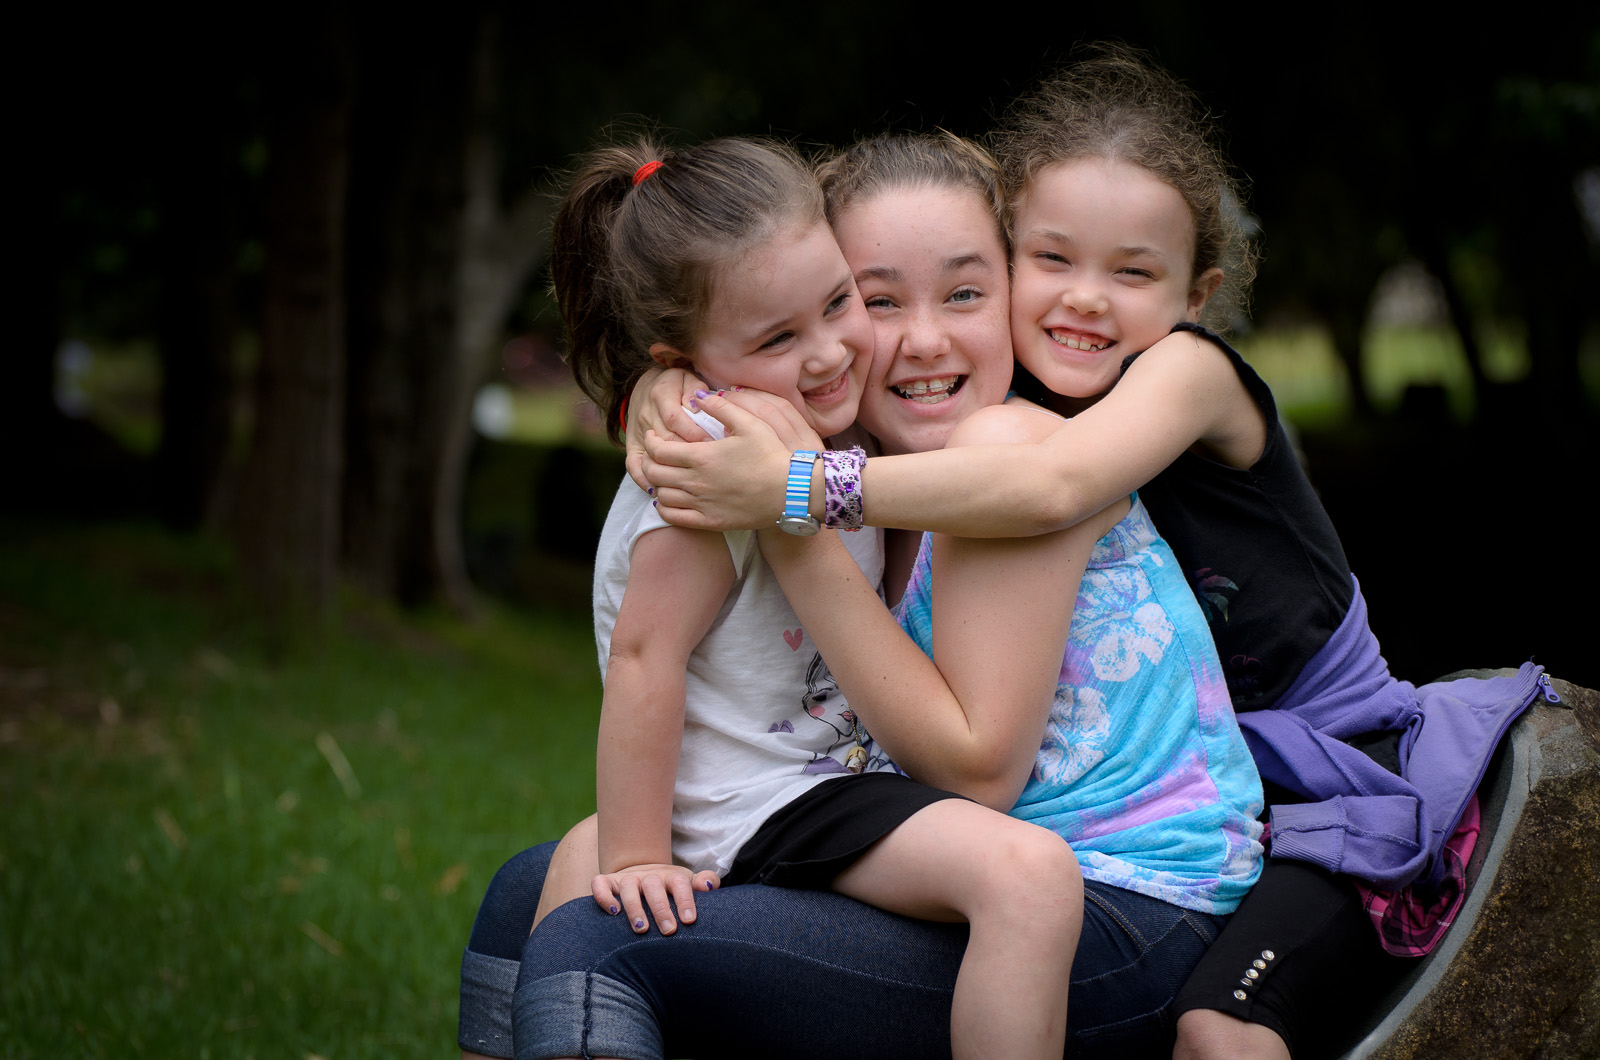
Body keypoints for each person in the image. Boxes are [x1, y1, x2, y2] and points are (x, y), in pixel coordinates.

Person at [636, 49, 1548, 1060]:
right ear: (1015, 258)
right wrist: (673, 391)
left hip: (1336, 781)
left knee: (1220, 1028)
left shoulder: (1182, 374)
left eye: (1133, 272)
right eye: (1053, 262)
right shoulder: (1008, 401)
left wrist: (797, 493)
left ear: (1196, 293)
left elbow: (1046, 490)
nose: (1084, 301)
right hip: (1213, 787)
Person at [461, 129, 1264, 1060]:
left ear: (1014, 291)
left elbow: (973, 775)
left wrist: (784, 506)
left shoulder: (991, 460)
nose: (917, 338)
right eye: (877, 299)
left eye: (965, 292)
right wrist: (670, 385)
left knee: (597, 943)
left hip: (1124, 904)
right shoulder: (861, 453)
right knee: (538, 882)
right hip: (962, 847)